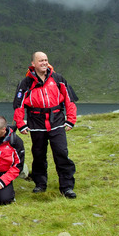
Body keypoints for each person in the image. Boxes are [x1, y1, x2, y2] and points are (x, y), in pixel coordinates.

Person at [13, 51, 77, 198]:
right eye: (40, 60)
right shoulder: (25, 83)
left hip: (57, 122)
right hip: (36, 123)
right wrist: (21, 123)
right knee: (39, 155)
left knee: (61, 153)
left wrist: (71, 119)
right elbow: (18, 105)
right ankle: (40, 184)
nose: (44, 63)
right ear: (33, 64)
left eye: (46, 60)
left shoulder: (58, 79)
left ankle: (67, 187)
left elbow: (69, 100)